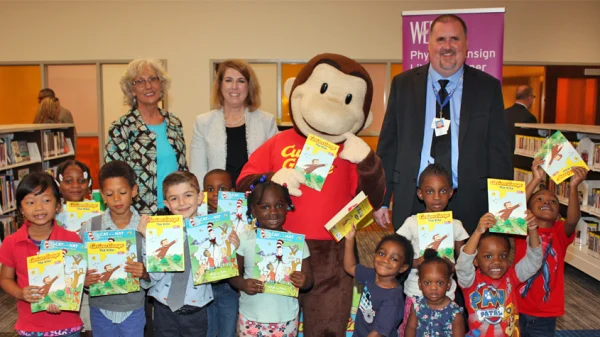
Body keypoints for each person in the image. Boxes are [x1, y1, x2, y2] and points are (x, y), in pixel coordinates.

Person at [374, 14, 512, 234]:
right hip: (413, 198)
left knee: (465, 266)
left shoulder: (487, 88)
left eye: (455, 39)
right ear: (429, 45)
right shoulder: (403, 84)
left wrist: (504, 209)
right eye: (440, 40)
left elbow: (499, 152)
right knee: (412, 265)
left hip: (468, 200)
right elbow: (388, 145)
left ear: (466, 46)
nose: (447, 46)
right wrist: (381, 200)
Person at [138, 171, 239, 337]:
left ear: (199, 197)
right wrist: (148, 241)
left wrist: (229, 249)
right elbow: (154, 275)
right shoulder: (159, 231)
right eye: (174, 198)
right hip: (164, 309)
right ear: (167, 204)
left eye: (188, 195)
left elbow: (217, 275)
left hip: (197, 311)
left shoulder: (213, 229)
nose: (182, 203)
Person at [0, 172, 83, 336]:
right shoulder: (12, 242)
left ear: (58, 205)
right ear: (20, 208)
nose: (39, 208)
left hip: (67, 325)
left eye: (46, 200)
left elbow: (80, 277)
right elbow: (5, 279)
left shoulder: (71, 239)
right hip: (30, 326)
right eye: (30, 202)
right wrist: (20, 293)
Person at [229, 178, 312, 336]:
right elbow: (233, 274)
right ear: (253, 210)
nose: (273, 212)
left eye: (279, 205)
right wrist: (243, 284)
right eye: (265, 207)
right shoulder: (245, 239)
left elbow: (309, 280)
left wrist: (304, 280)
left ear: (287, 207)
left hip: (286, 319)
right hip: (251, 318)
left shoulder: (297, 243)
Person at [514, 158, 588, 336]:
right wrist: (536, 179)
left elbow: (572, 219)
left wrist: (572, 187)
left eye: (553, 201)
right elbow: (514, 210)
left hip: (546, 314)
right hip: (516, 307)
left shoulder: (559, 233)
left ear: (557, 216)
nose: (546, 202)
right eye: (539, 199)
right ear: (528, 211)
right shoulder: (521, 230)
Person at [105, 58, 187, 215]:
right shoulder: (121, 128)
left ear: (161, 84)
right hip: (138, 213)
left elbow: (182, 169)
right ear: (132, 90)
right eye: (140, 81)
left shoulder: (174, 123)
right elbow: (112, 176)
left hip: (175, 209)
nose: (148, 86)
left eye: (152, 79)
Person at [396, 164, 469, 336]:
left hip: (446, 294)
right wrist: (416, 262)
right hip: (416, 291)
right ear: (420, 194)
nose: (437, 197)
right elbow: (397, 256)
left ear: (451, 193)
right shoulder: (412, 223)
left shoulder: (456, 225)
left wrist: (453, 266)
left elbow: (464, 259)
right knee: (413, 329)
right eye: (430, 191)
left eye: (443, 191)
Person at [79, 161, 148, 337]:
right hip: (100, 308)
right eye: (109, 194)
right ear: (102, 195)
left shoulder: (145, 226)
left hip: (133, 308)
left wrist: (145, 272)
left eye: (123, 192)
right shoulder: (90, 226)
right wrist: (83, 279)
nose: (116, 199)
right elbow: (77, 267)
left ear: (134, 191)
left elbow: (157, 270)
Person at [190, 59, 278, 189]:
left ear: (249, 86)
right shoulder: (203, 122)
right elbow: (197, 171)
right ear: (220, 85)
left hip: (256, 200)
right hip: (216, 202)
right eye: (228, 80)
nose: (234, 86)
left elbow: (275, 165)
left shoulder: (266, 121)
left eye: (241, 81)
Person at [456, 212, 542, 336]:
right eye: (488, 256)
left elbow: (534, 260)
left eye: (503, 256)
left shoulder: (511, 276)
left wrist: (533, 231)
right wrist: (477, 232)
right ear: (475, 260)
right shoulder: (470, 281)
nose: (496, 261)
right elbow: (463, 264)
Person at [344, 228, 413, 337]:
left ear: (403, 268)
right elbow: (349, 267)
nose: (386, 260)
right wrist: (349, 239)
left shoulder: (392, 300)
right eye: (381, 253)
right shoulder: (371, 275)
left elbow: (377, 333)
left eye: (394, 259)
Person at [54, 159, 94, 334]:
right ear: (58, 183)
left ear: (89, 183)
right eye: (68, 181)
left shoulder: (97, 214)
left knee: (88, 328)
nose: (75, 186)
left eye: (81, 180)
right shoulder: (51, 214)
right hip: (61, 284)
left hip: (88, 285)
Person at [203, 169, 237, 337]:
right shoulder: (196, 217)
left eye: (222, 189)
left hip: (230, 285)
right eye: (209, 189)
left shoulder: (241, 217)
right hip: (203, 287)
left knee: (228, 332)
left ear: (232, 192)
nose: (215, 194)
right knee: (206, 331)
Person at [404, 248, 465, 337]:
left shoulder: (454, 313)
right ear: (420, 284)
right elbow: (411, 328)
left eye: (440, 283)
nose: (433, 288)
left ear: (448, 285)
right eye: (427, 283)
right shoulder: (417, 306)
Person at [505, 85, 538, 151]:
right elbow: (533, 144)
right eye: (533, 97)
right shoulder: (529, 117)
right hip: (519, 158)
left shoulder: (503, 113)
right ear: (529, 97)